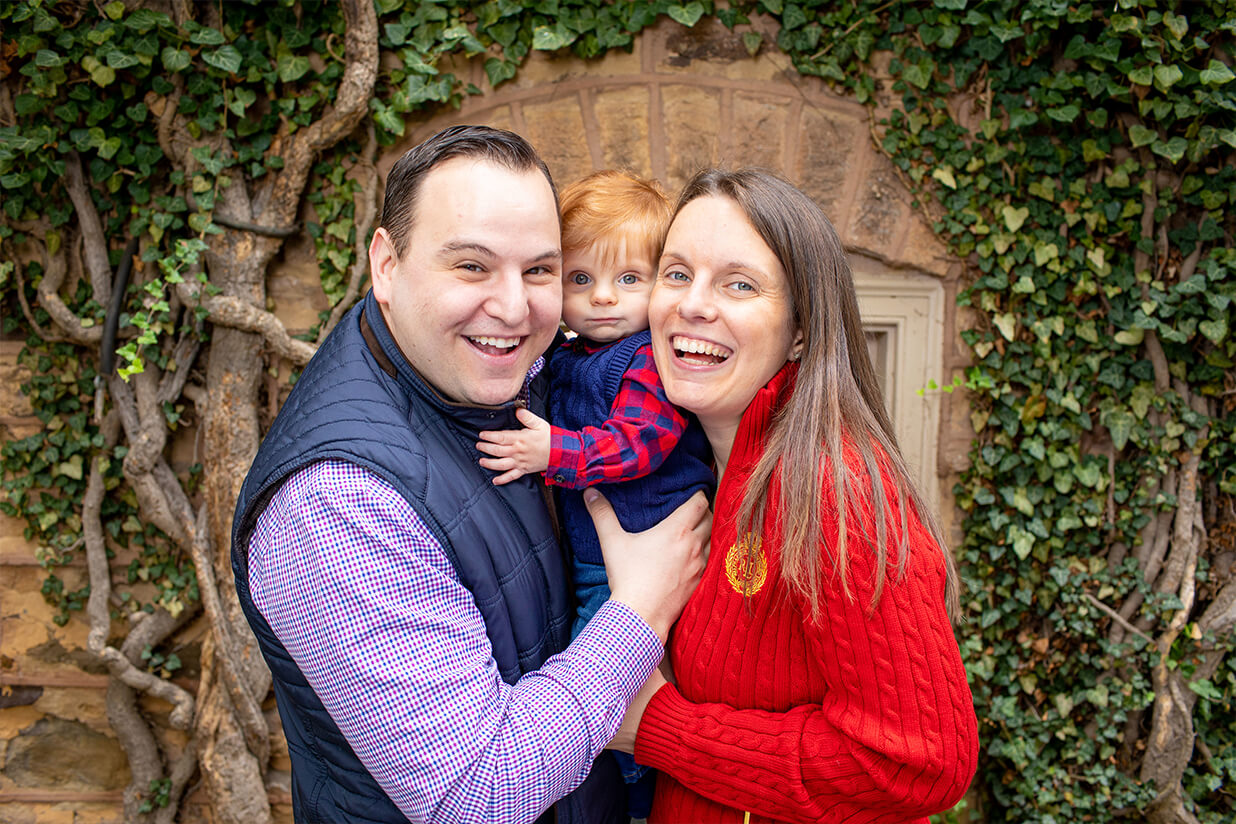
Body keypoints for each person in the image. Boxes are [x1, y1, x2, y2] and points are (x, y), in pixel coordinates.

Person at [229, 125, 710, 824]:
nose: (515, 308)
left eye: (542, 270)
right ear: (387, 265)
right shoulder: (335, 505)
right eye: (472, 267)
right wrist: (641, 607)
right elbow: (477, 794)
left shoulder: (508, 372)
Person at [607, 168, 979, 823]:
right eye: (676, 273)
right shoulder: (694, 464)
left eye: (739, 284)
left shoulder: (837, 490)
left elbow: (917, 763)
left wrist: (661, 729)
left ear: (802, 331)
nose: (693, 304)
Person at [474, 169, 714, 816]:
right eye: (582, 280)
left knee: (608, 670)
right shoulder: (570, 350)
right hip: (594, 550)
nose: (604, 298)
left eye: (629, 280)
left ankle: (636, 785)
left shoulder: (645, 360)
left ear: (661, 283)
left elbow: (640, 444)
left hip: (644, 545)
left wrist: (555, 452)